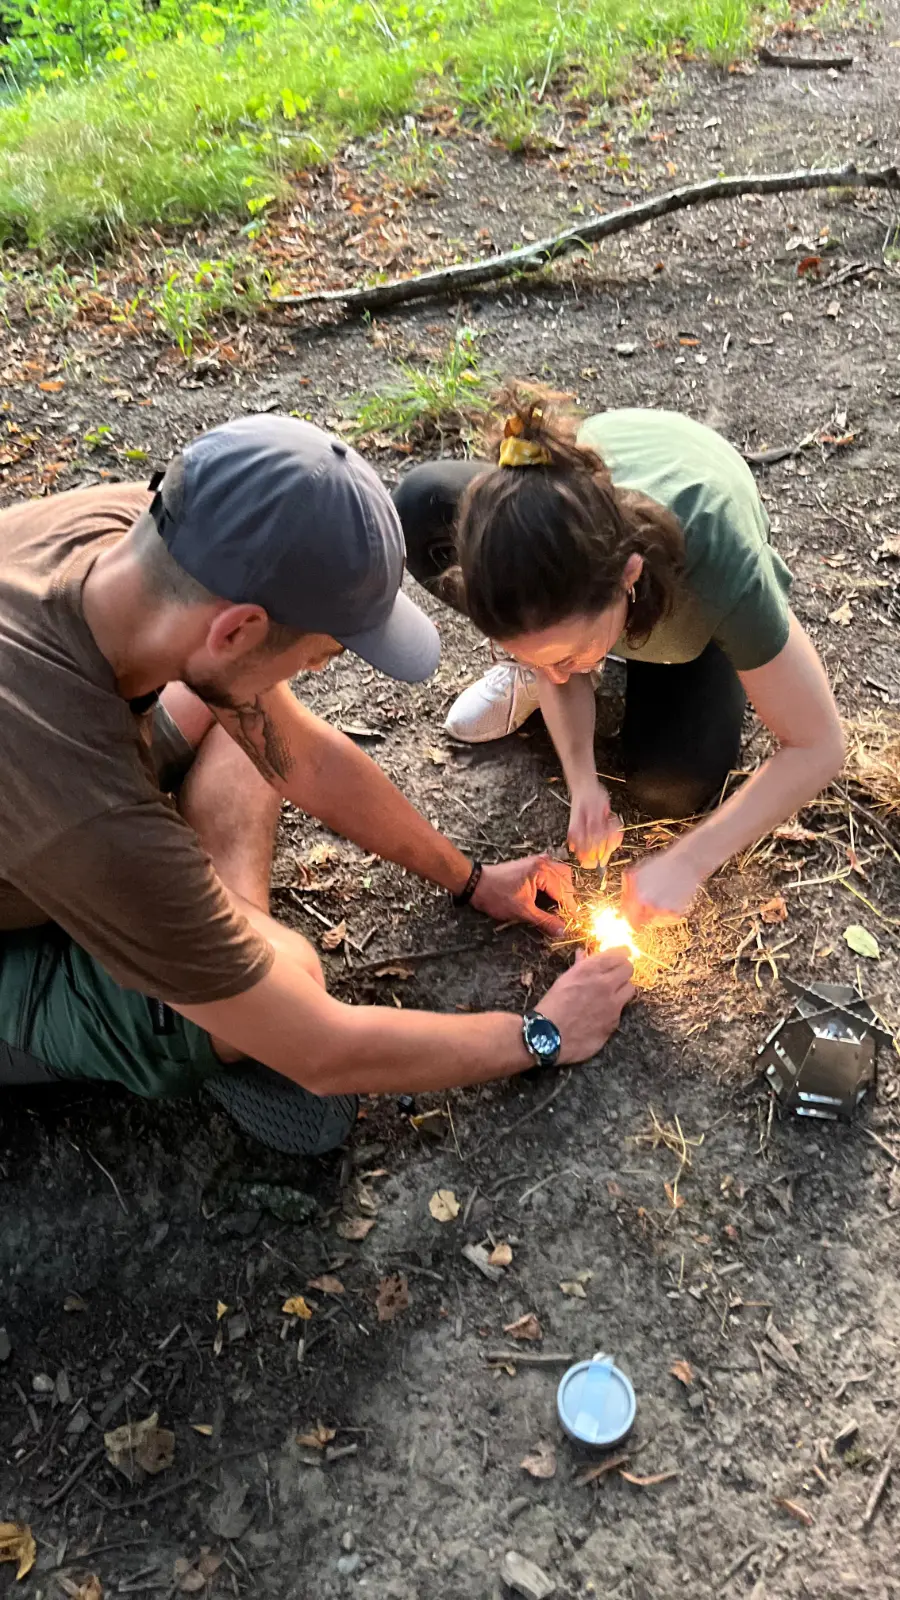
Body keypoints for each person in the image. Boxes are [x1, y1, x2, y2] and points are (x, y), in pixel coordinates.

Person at [0, 413, 634, 1153]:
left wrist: (472, 879)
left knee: (239, 714)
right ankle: (217, 998)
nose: (320, 669)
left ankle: (211, 952)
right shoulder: (80, 795)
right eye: (321, 654)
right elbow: (325, 1053)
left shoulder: (129, 536)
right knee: (291, 974)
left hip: (57, 827)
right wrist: (542, 1033)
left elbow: (297, 754)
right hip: (36, 893)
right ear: (236, 628)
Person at [393, 388, 845, 927]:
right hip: (571, 537)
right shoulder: (528, 542)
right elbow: (558, 664)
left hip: (681, 566)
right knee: (421, 505)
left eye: (566, 656)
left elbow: (819, 745)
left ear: (627, 579)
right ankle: (546, 647)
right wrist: (582, 778)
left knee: (673, 785)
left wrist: (689, 861)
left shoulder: (715, 563)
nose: (557, 677)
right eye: (537, 660)